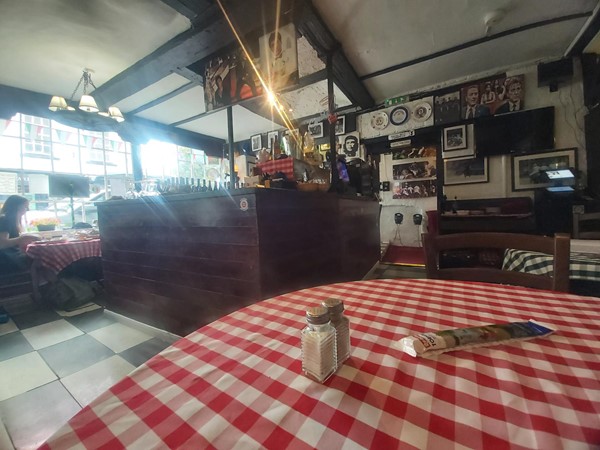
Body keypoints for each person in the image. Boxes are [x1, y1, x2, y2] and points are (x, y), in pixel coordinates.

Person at [0, 195, 40, 273]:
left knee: (41, 259)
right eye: (25, 207)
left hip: (12, 255)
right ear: (16, 207)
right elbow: (2, 243)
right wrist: (21, 239)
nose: (27, 209)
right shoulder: (5, 220)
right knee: (41, 260)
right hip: (6, 258)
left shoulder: (13, 220)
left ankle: (43, 283)